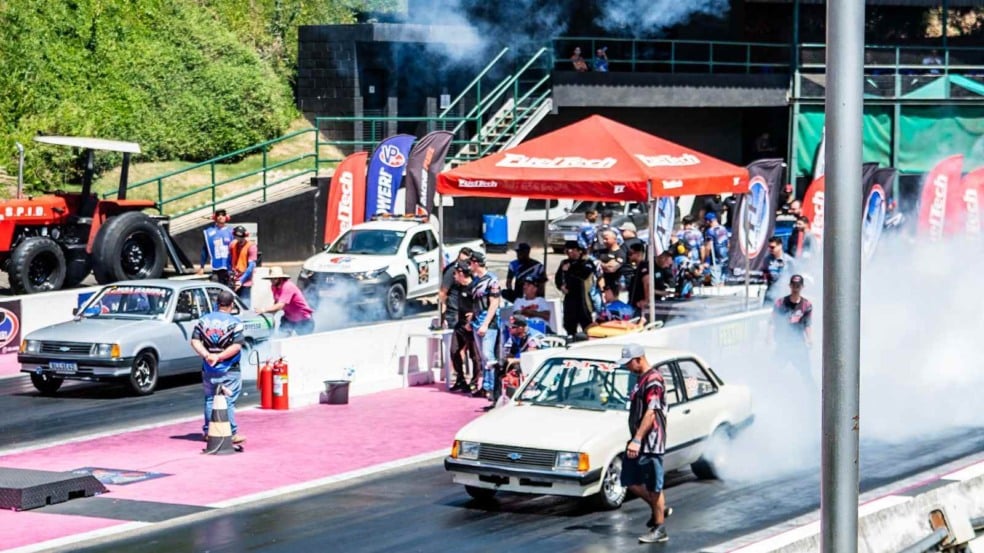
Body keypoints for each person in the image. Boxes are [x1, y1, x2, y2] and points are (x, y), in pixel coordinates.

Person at [619, 344, 669, 544]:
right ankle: (660, 510)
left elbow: (651, 411)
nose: (627, 367)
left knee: (654, 486)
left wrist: (638, 439)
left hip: (650, 442)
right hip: (638, 441)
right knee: (629, 480)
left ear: (639, 359)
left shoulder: (654, 380)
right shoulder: (641, 380)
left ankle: (660, 528)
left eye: (628, 363)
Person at [191, 290, 246, 445]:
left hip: (209, 368)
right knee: (227, 400)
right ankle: (232, 433)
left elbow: (195, 341)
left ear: (217, 304)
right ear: (232, 305)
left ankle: (209, 431)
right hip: (229, 368)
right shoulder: (235, 323)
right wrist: (219, 357)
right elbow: (236, 346)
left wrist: (208, 355)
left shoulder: (203, 320)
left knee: (210, 399)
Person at [468, 251, 501, 400]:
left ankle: (492, 387)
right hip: (476, 320)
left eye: (471, 263)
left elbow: (494, 303)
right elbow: (474, 303)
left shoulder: (492, 280)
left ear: (476, 263)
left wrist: (486, 324)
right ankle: (485, 386)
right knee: (482, 356)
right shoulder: (475, 280)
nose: (470, 266)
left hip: (488, 321)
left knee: (488, 355)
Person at [769, 274, 814, 379]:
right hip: (783, 343)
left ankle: (813, 394)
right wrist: (769, 337)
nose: (795, 288)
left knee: (807, 374)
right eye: (793, 285)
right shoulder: (780, 303)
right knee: (773, 372)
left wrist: (810, 339)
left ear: (802, 287)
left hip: (799, 344)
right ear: (790, 286)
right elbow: (772, 321)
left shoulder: (806, 305)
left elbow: (807, 324)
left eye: (798, 286)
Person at [555, 240, 600, 336]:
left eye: (573, 250)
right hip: (570, 297)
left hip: (584, 298)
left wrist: (570, 269)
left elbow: (584, 274)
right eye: (568, 250)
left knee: (587, 323)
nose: (570, 252)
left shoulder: (587, 262)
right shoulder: (564, 262)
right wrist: (561, 286)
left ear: (579, 250)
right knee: (569, 324)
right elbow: (558, 277)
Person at [256, 266, 315, 336]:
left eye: (274, 278)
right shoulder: (273, 287)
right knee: (282, 337)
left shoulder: (287, 286)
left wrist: (263, 310)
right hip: (289, 318)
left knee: (303, 343)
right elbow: (276, 303)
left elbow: (280, 305)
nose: (272, 280)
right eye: (270, 278)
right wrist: (269, 316)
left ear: (280, 278)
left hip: (303, 320)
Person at [448, 262, 479, 392]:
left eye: (455, 274)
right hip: (460, 324)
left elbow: (482, 304)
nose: (454, 277)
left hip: (472, 325)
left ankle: (475, 382)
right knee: (454, 350)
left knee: (475, 355)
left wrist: (474, 314)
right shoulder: (458, 287)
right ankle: (460, 379)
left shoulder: (474, 287)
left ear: (461, 273)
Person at [439, 247, 474, 328]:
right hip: (454, 312)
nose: (462, 263)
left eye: (465, 261)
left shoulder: (468, 270)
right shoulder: (452, 271)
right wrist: (443, 314)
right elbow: (443, 292)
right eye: (460, 260)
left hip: (466, 311)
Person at [198, 208, 234, 286]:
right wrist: (202, 266)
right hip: (216, 267)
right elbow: (205, 250)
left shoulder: (231, 231)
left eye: (223, 215)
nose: (220, 217)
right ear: (215, 217)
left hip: (229, 267)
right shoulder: (209, 232)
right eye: (218, 215)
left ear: (226, 217)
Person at [229, 225, 258, 307]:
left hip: (245, 281)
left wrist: (241, 281)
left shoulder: (251, 246)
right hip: (234, 279)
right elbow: (229, 260)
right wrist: (230, 273)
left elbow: (251, 266)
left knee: (245, 305)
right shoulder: (232, 245)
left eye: (240, 237)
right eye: (236, 236)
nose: (238, 238)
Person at [701, 212, 730, 285]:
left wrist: (706, 259)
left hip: (715, 259)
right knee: (722, 280)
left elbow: (708, 247)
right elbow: (728, 244)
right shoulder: (724, 229)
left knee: (716, 281)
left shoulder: (710, 231)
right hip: (725, 257)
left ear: (708, 221)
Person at [764, 236, 795, 301]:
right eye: (769, 247)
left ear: (780, 246)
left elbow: (794, 277)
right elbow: (766, 276)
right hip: (770, 295)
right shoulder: (767, 259)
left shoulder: (789, 261)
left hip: (783, 295)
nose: (770, 249)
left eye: (772, 247)